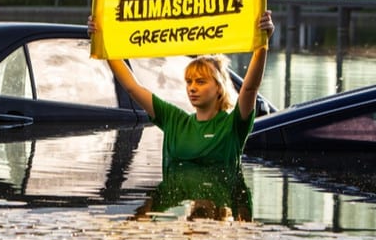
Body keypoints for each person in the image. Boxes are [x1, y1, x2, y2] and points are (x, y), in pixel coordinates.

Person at [88, 10, 275, 169]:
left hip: (220, 209)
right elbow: (132, 87)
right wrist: (103, 43)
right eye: (189, 81)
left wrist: (262, 44)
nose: (192, 88)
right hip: (186, 210)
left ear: (219, 88)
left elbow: (250, 88)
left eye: (200, 82)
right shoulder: (174, 120)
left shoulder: (233, 125)